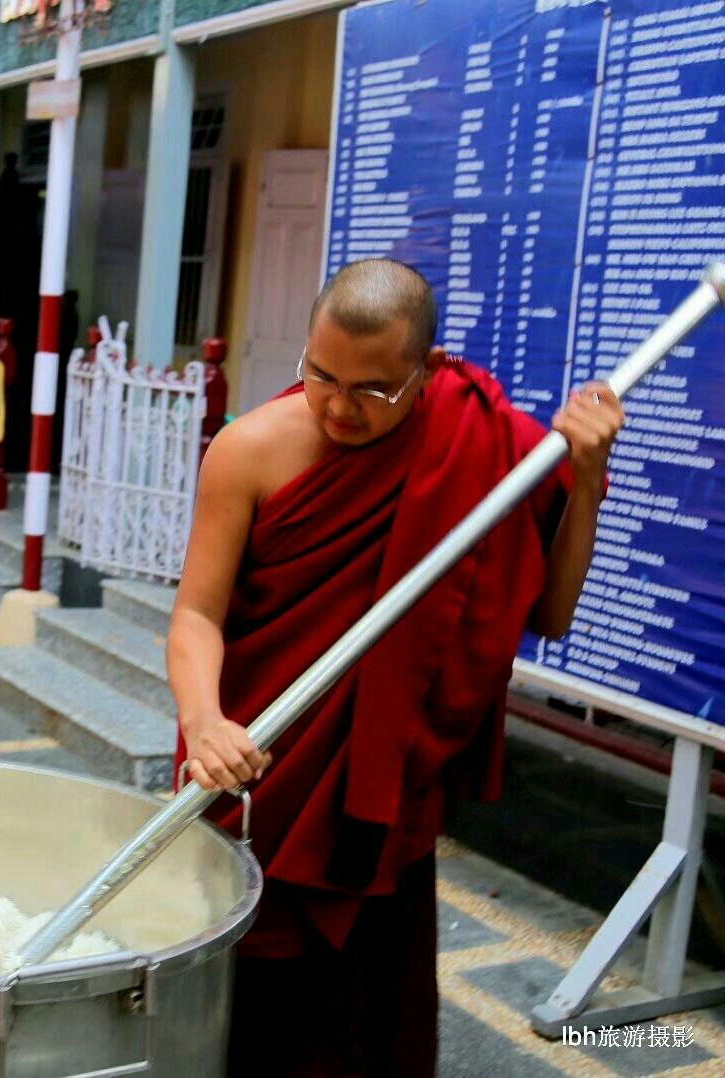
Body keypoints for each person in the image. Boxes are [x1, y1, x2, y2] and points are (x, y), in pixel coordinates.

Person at [167, 259, 624, 1076]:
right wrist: (203, 718)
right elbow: (197, 613)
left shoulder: (480, 444)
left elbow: (548, 617)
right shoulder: (249, 451)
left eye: (372, 389)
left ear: (426, 371)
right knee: (243, 1026)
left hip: (378, 803)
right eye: (321, 375)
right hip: (258, 775)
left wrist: (585, 480)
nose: (340, 406)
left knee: (363, 1030)